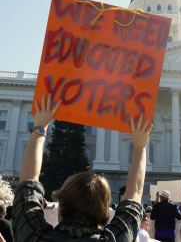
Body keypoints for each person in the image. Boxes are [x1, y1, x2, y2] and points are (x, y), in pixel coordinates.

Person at [12, 93, 153, 242]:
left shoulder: (35, 237)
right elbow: (134, 194)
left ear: (61, 206)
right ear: (105, 213)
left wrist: (39, 128)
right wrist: (140, 146)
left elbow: (28, 182)